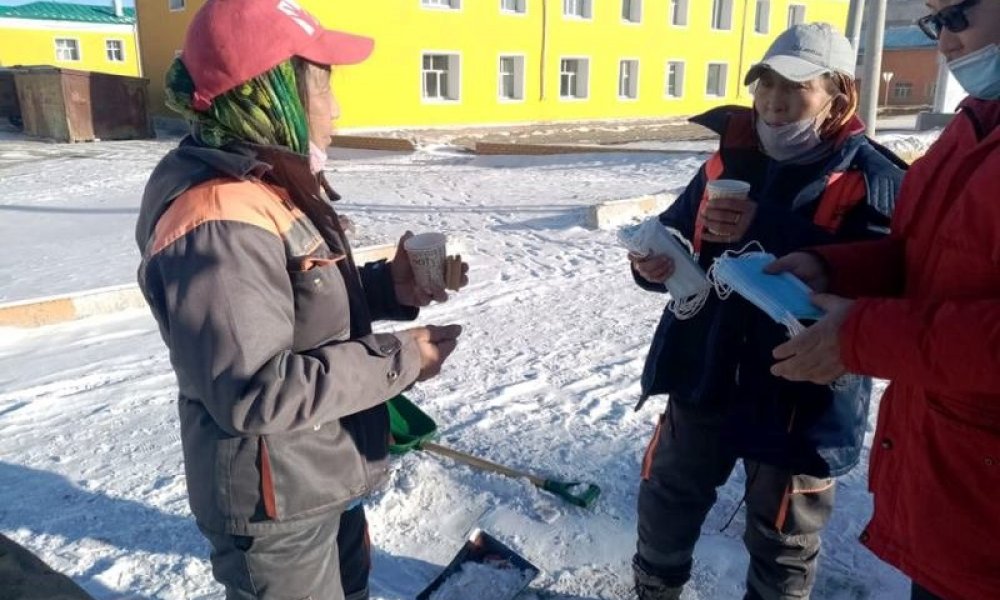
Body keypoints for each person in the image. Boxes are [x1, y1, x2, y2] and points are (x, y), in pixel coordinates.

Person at [134, 0, 466, 598]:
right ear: (274, 91)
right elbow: (256, 390)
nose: (336, 108)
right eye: (322, 87)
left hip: (317, 471)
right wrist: (401, 358)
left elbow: (289, 308)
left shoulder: (261, 181)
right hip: (274, 503)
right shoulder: (216, 217)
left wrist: (388, 288)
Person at [629, 24, 907, 600]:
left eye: (797, 88)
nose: (776, 102)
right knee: (666, 504)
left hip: (798, 393)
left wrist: (767, 225)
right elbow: (679, 236)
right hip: (704, 372)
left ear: (839, 94)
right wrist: (653, 265)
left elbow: (885, 278)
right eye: (766, 84)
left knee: (784, 535)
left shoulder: (874, 178)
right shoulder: (727, 157)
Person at [768, 2, 1000, 599]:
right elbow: (925, 257)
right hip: (959, 487)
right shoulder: (976, 121)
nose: (945, 44)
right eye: (933, 24)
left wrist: (863, 336)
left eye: (959, 15)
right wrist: (830, 266)